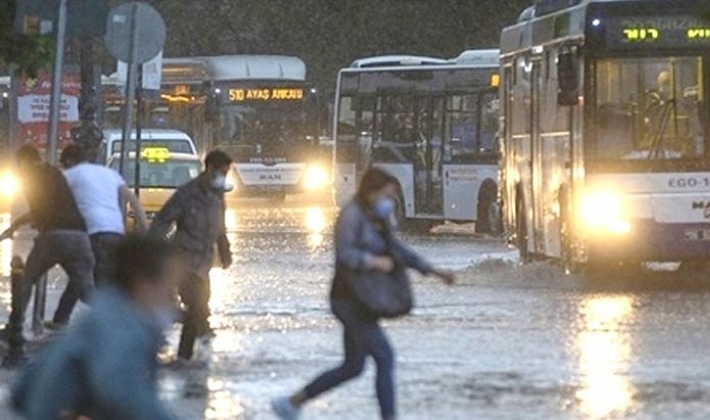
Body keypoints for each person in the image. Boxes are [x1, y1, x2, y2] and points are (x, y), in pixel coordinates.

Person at [272, 167, 455, 420]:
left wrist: (433, 271)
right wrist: (373, 262)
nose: (389, 203)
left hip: (365, 300)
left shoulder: (377, 218)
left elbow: (397, 250)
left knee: (352, 367)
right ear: (371, 192)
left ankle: (291, 403)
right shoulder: (352, 215)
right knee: (385, 356)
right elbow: (345, 254)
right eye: (386, 196)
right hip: (348, 300)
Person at [11, 235, 183, 420]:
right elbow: (118, 389)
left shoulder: (105, 309)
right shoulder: (122, 326)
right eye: (169, 287)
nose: (171, 299)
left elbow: (25, 386)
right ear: (144, 283)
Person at [48, 144, 149, 328]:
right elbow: (132, 199)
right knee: (82, 275)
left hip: (93, 233)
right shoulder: (108, 173)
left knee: (95, 280)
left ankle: (118, 319)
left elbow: (48, 202)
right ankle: (60, 319)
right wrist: (144, 226)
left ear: (69, 161)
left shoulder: (70, 175)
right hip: (115, 232)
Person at [0, 146, 94, 340]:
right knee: (87, 290)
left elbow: (38, 209)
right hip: (80, 236)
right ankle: (118, 322)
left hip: (54, 236)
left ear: (22, 162)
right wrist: (15, 226)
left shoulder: (30, 177)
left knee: (25, 280)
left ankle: (15, 326)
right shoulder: (56, 173)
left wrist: (24, 225)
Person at [149, 150, 233, 362]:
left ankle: (194, 351)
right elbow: (162, 221)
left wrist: (225, 251)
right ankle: (184, 356)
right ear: (210, 168)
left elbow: (220, 227)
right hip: (183, 262)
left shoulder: (218, 195)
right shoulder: (187, 194)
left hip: (204, 264)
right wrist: (153, 250)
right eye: (222, 171)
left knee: (201, 307)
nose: (224, 175)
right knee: (196, 306)